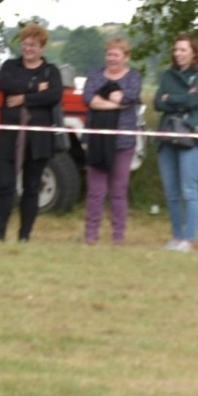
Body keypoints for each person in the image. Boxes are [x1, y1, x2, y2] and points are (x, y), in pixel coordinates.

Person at [0, 23, 63, 242]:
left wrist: (24, 97)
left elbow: (53, 95)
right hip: (10, 137)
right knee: (4, 184)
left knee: (31, 187)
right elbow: (5, 83)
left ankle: (24, 236)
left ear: (42, 47)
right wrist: (35, 87)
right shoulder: (10, 66)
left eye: (33, 45)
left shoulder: (51, 71)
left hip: (38, 139)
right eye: (25, 44)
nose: (28, 48)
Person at [81, 37, 143, 246]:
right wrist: (115, 104)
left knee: (118, 190)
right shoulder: (95, 75)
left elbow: (130, 96)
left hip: (123, 142)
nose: (112, 58)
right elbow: (89, 99)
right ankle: (91, 234)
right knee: (95, 191)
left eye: (117, 55)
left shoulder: (134, 76)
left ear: (126, 57)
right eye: (109, 54)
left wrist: (106, 100)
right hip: (97, 139)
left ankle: (118, 235)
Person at [154, 32, 198, 251]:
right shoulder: (167, 75)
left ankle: (189, 238)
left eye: (183, 50)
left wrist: (172, 98)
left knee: (189, 189)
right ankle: (177, 236)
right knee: (171, 191)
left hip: (190, 137)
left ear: (194, 53)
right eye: (176, 50)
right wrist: (177, 100)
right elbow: (158, 102)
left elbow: (193, 99)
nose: (178, 54)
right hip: (167, 136)